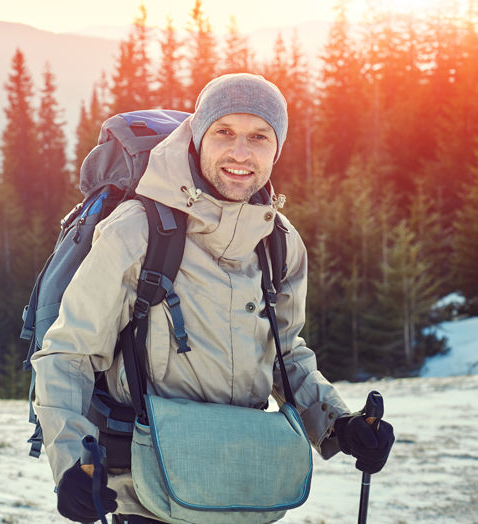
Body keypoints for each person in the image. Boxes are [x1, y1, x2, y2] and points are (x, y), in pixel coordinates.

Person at [31, 73, 395, 523]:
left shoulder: (279, 242)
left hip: (243, 489)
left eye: (259, 137)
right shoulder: (137, 230)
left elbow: (286, 353)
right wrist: (71, 464)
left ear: (275, 149)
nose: (241, 153)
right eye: (224, 132)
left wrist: (340, 424)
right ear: (198, 137)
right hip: (143, 492)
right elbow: (70, 352)